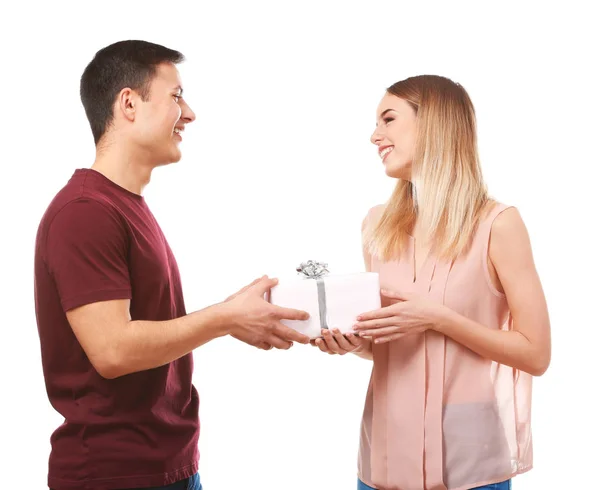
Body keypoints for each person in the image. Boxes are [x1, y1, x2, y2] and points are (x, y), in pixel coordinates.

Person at [33, 40, 310, 490]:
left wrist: (230, 316)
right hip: (115, 475)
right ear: (129, 103)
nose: (190, 114)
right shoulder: (85, 211)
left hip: (166, 468)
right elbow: (113, 351)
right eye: (176, 96)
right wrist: (223, 318)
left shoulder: (122, 205)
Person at [311, 75, 551, 490]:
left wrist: (439, 318)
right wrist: (355, 343)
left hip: (469, 455)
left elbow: (536, 354)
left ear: (434, 125)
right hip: (383, 449)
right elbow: (387, 344)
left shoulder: (498, 224)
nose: (374, 136)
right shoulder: (375, 225)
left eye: (388, 119)